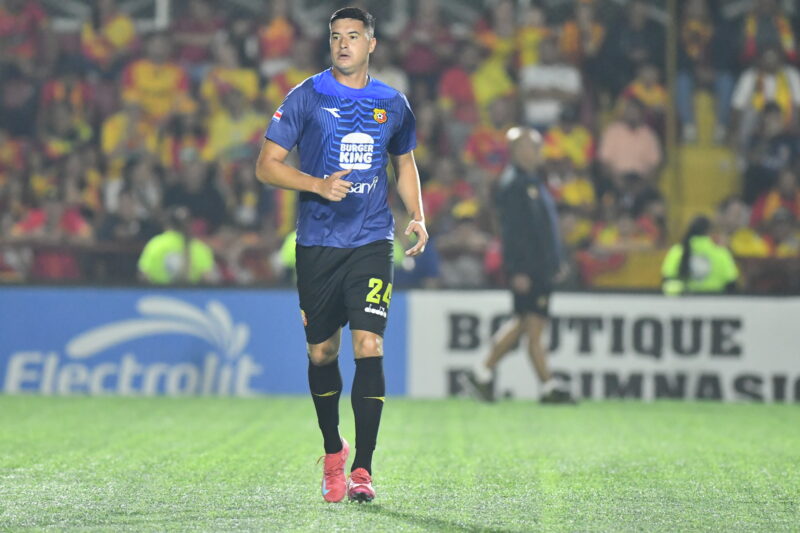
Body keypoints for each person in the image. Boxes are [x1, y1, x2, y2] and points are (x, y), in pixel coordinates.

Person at [254, 7, 427, 504]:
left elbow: (405, 163)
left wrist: (417, 215)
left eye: (353, 36)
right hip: (317, 245)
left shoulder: (393, 103)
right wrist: (315, 185)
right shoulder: (306, 96)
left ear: (371, 43)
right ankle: (333, 450)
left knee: (369, 345)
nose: (343, 44)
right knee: (322, 352)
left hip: (372, 241)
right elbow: (266, 166)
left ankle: (363, 470)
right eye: (335, 37)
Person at [464, 127, 573, 405]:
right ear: (518, 150)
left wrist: (555, 261)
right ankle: (545, 386)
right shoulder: (515, 184)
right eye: (533, 147)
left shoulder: (529, 181)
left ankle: (484, 372)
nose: (539, 152)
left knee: (527, 323)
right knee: (531, 323)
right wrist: (518, 269)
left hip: (538, 265)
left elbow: (542, 229)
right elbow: (512, 232)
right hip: (529, 266)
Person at [137, 206, 216, 284]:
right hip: (190, 295)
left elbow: (143, 275)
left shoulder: (155, 244)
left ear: (167, 223)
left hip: (159, 295)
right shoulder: (199, 248)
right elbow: (209, 279)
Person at [661, 215, 738, 295]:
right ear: (710, 232)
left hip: (684, 304)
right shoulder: (722, 253)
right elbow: (731, 284)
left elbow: (667, 280)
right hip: (714, 303)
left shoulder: (677, 251)